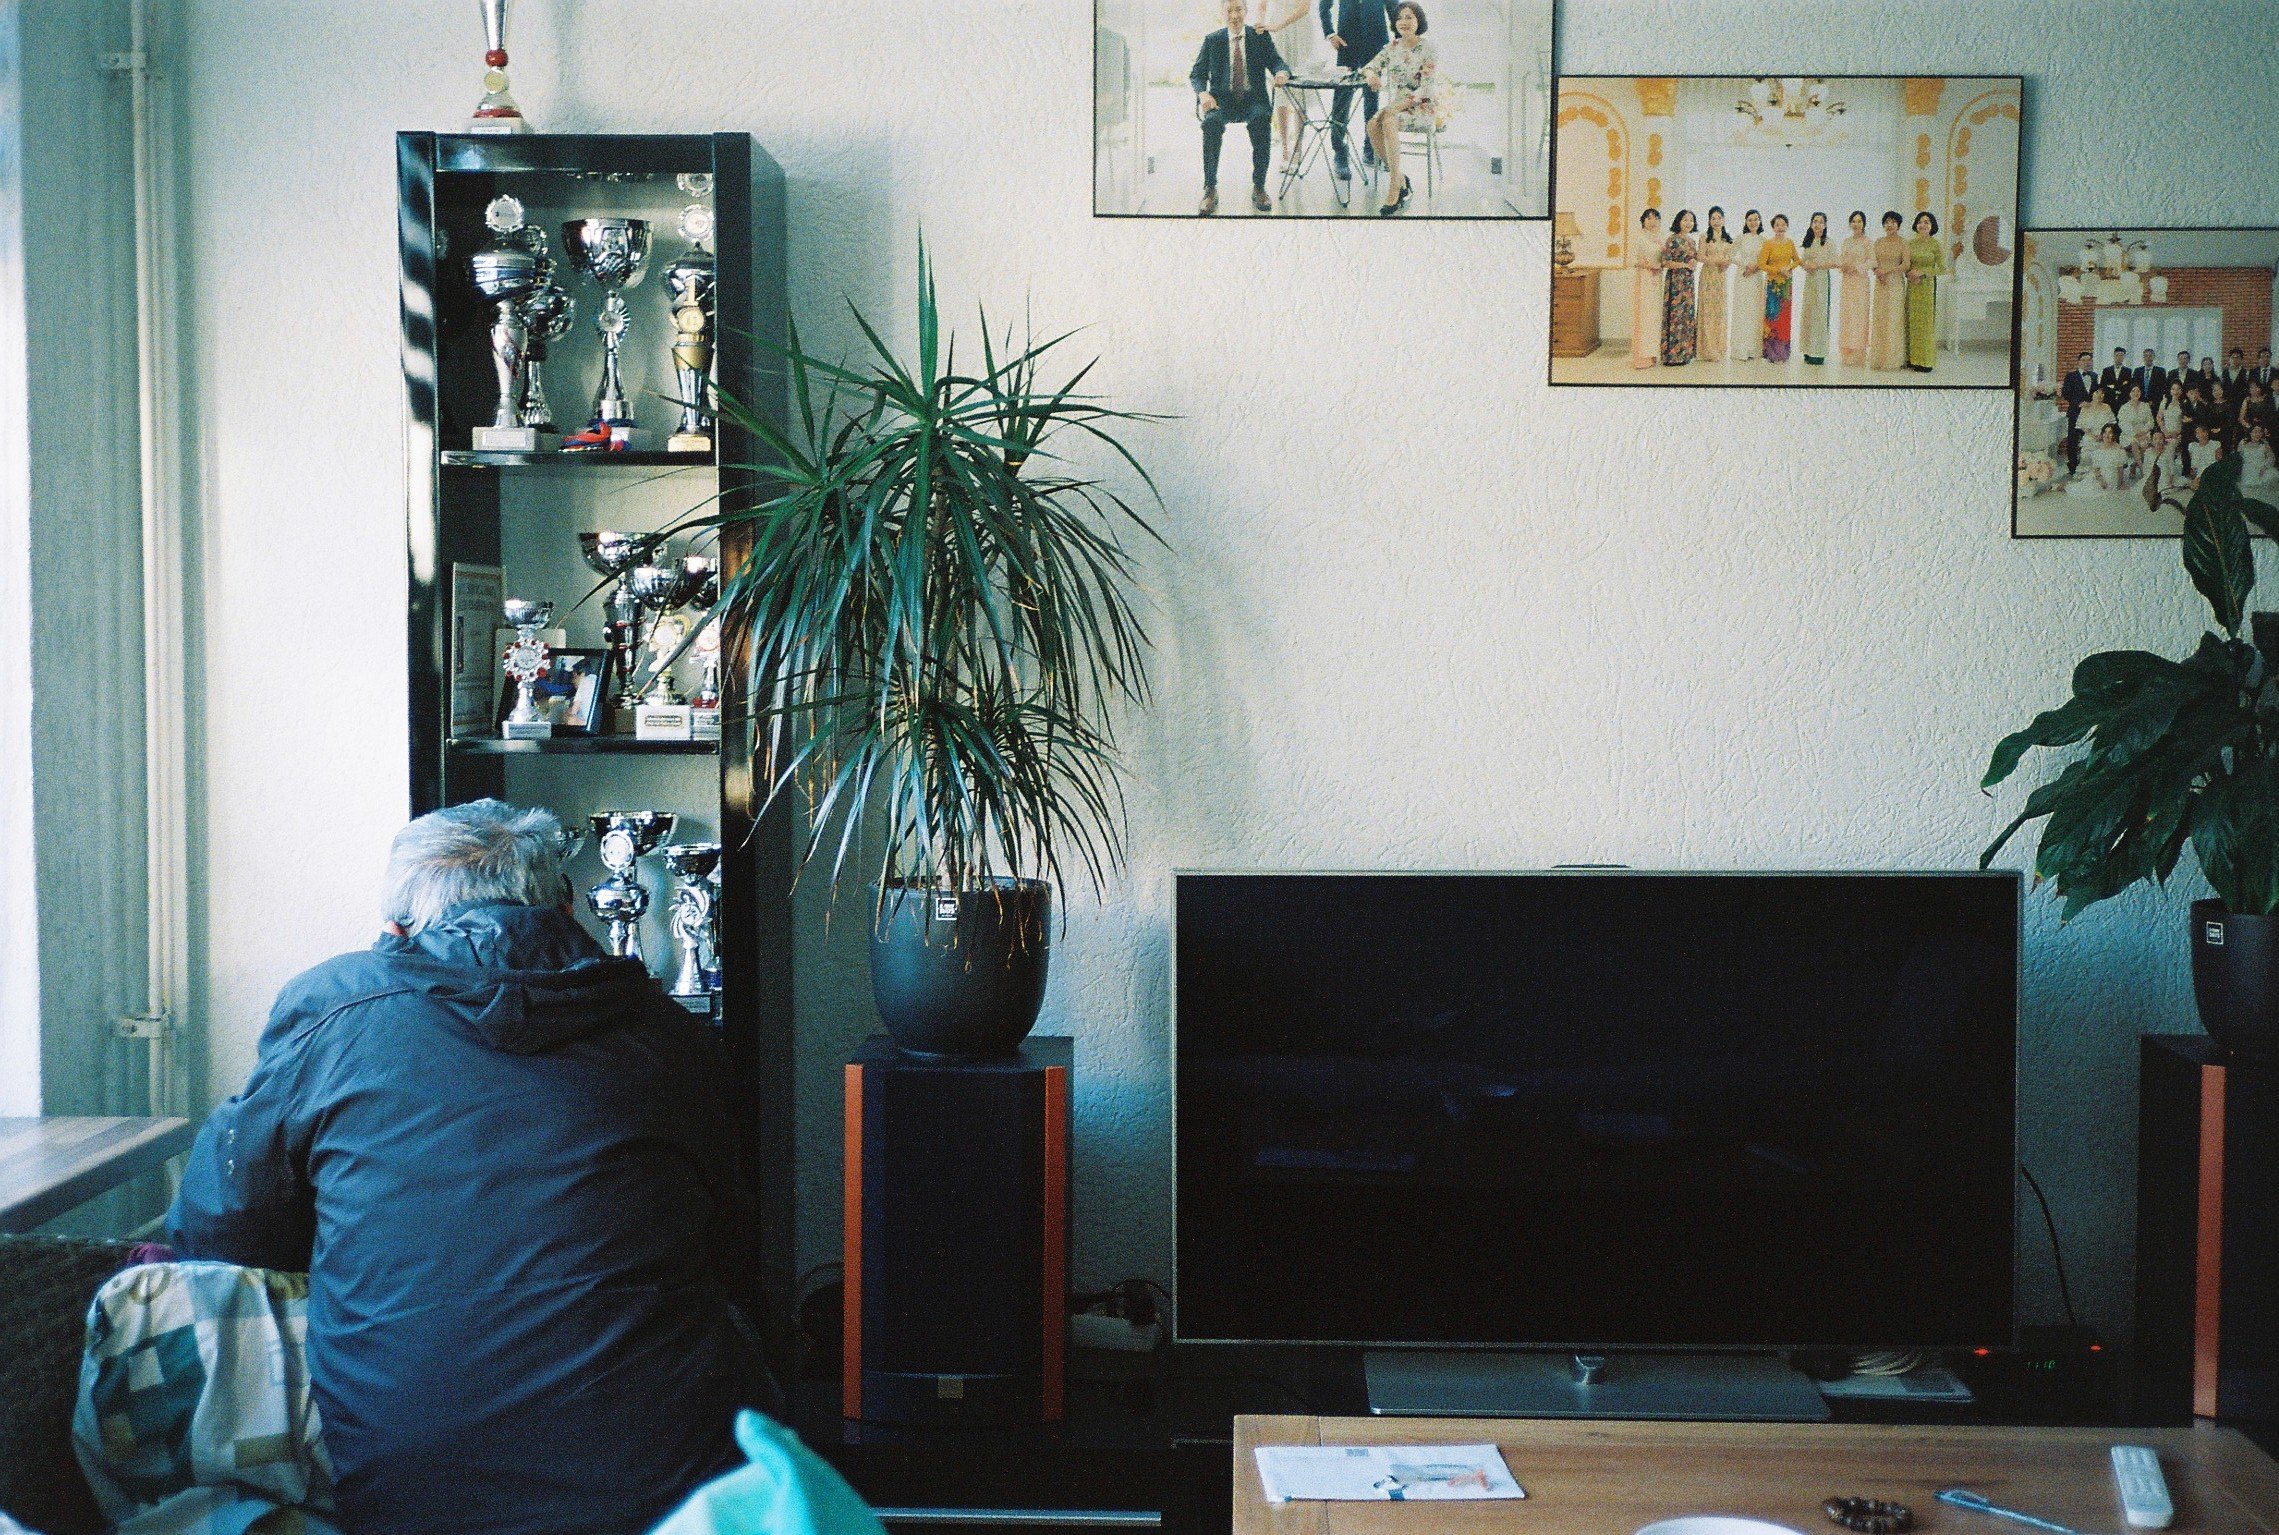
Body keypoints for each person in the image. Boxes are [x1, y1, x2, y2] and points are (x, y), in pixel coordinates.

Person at [167, 800, 772, 1535]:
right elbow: (730, 1243)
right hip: (664, 1491)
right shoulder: (672, 1035)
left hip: (410, 1489)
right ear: (566, 905)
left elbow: (218, 1226)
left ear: (393, 931)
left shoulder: (332, 1008)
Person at [1192, 0, 1292, 214]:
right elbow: (1197, 74)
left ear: (1246, 11)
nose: (1234, 15)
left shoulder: (1259, 36)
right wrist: (1203, 93)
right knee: (1211, 124)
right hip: (1221, 100)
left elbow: (1276, 61)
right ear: (1223, 13)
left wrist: (1281, 73)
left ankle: (1259, 186)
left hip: (1254, 98)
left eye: (1239, 9)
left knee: (1260, 121)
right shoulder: (1213, 40)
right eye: (1229, 10)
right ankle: (1210, 188)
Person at [1362, 1, 1442, 216]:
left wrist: (1396, 108)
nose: (1404, 22)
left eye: (1409, 17)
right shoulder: (1392, 47)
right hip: (1397, 107)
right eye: (1399, 18)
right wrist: (1371, 75)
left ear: (1419, 21)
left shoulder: (1428, 48)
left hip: (1421, 105)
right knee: (1372, 124)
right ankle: (1400, 178)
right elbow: (1370, 66)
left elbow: (1426, 89)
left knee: (1387, 120)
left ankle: (1394, 187)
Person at [1320, 0, 1394, 180]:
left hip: (1376, 43)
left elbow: (1394, 7)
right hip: (1346, 43)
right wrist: (1330, 33)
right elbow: (1324, 6)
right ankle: (1340, 152)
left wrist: (1399, 39)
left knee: (1372, 99)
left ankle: (1371, 150)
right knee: (1342, 99)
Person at [1257, 0, 1317, 176]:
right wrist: (1261, 24)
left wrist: (1277, 25)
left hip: (1300, 29)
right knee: (1280, 86)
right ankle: (1284, 148)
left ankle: (1298, 150)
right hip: (1277, 30)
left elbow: (1305, 7)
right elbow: (1262, 5)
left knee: (1300, 90)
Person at [1904, 210, 1947, 372]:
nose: (1923, 225)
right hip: (1912, 286)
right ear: (1916, 225)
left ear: (1932, 226)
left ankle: (1926, 361)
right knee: (1912, 321)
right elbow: (1905, 264)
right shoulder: (1909, 243)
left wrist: (1923, 272)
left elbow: (1943, 269)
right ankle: (1913, 359)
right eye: (1920, 222)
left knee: (1925, 323)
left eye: (1927, 222)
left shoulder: (1935, 244)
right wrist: (1909, 274)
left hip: (1927, 287)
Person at [1868, 211, 1908, 371]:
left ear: (1898, 224)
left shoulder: (1903, 243)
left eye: (1893, 222)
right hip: (1880, 284)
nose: (1889, 225)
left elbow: (1906, 265)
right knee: (1880, 318)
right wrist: (1877, 270)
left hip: (1895, 285)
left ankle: (1893, 359)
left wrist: (1888, 271)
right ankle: (1878, 358)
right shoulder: (1878, 242)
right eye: (1887, 222)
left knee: (1894, 320)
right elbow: (1873, 261)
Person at [1660, 208, 1700, 367]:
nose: (1688, 223)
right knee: (1675, 316)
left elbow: (1694, 260)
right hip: (1675, 282)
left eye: (1691, 220)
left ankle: (1686, 353)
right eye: (1685, 220)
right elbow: (1665, 262)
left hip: (1688, 282)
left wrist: (1693, 264)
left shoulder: (1692, 241)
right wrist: (1685, 264)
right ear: (1678, 221)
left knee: (1686, 317)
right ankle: (1672, 355)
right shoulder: (1672, 239)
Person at [1759, 213, 1800, 363]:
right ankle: (1771, 353)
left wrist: (1789, 267)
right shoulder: (1768, 244)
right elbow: (1762, 264)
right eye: (1777, 225)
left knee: (1784, 319)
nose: (1780, 227)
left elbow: (1798, 260)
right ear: (1773, 227)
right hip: (1772, 285)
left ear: (1787, 226)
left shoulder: (1790, 243)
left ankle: (1783, 353)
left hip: (1786, 285)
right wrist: (1777, 270)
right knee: (1772, 316)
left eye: (1783, 224)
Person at [1629, 206, 1665, 368]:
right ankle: (1642, 357)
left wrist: (1660, 264)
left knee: (1655, 316)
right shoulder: (1639, 237)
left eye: (1655, 218)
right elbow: (1632, 259)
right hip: (1644, 279)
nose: (1652, 221)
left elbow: (1663, 258)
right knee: (1644, 316)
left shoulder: (1658, 238)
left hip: (1657, 280)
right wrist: (1648, 265)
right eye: (1649, 218)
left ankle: (1652, 354)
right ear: (1643, 221)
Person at [1797, 212, 1834, 366]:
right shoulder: (1809, 241)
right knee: (1808, 313)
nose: (1817, 225)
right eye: (1815, 222)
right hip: (1810, 281)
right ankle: (1807, 349)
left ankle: (1818, 352)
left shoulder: (1829, 242)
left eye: (1820, 222)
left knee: (1819, 315)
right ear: (1811, 224)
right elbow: (1802, 260)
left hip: (1821, 280)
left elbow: (1834, 261)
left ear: (1825, 225)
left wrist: (1817, 266)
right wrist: (1805, 265)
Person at [1836, 210, 1872, 368]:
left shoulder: (1867, 242)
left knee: (1859, 317)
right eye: (1853, 221)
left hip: (1860, 283)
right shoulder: (1846, 241)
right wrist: (1843, 266)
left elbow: (1873, 261)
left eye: (1859, 221)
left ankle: (1859, 353)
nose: (1856, 224)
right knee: (1847, 316)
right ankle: (1847, 352)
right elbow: (1840, 259)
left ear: (1864, 224)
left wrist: (1857, 267)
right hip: (1847, 283)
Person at [1698, 206, 1733, 361]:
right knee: (1708, 311)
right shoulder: (1704, 237)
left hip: (1721, 277)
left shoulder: (1728, 239)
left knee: (1719, 312)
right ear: (1709, 220)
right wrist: (1717, 260)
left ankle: (1719, 347)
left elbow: (1730, 257)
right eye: (1713, 218)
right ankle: (1707, 349)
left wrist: (1726, 263)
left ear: (1724, 220)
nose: (1716, 221)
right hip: (1708, 276)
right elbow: (1700, 256)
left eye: (1719, 217)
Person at [1732, 209, 1767, 362]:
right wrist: (1745, 265)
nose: (1753, 222)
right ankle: (1741, 349)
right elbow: (1731, 255)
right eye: (1750, 220)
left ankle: (1754, 348)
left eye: (1756, 219)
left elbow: (1767, 260)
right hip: (1743, 276)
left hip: (1757, 277)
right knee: (1742, 310)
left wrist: (1756, 267)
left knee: (1755, 310)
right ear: (1746, 222)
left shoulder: (1763, 240)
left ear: (1760, 222)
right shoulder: (1741, 238)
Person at [2070, 423, 2130, 495]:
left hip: (2112, 478)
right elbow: (2096, 468)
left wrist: (2119, 484)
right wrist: (2100, 480)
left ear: (2114, 435)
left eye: (2110, 432)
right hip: (2100, 477)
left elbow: (2120, 470)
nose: (2106, 435)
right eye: (2105, 432)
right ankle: (2060, 487)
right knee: (2082, 487)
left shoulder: (2119, 450)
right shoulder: (2099, 449)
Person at [2240, 420, 2279, 502]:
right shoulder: (2243, 443)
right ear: (2250, 433)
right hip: (2247, 470)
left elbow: (2272, 457)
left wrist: (2265, 467)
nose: (2257, 434)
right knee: (2248, 495)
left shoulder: (2264, 443)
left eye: (2260, 432)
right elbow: (2238, 458)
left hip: (2262, 469)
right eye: (2255, 432)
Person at [2118, 384, 2154, 460]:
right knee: (2134, 442)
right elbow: (2123, 424)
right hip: (2129, 434)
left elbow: (2150, 422)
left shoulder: (2145, 406)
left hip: (2144, 433)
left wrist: (2143, 432)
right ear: (2129, 393)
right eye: (2133, 391)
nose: (2136, 393)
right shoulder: (2124, 408)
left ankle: (2135, 465)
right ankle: (2142, 469)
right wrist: (2135, 434)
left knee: (2145, 443)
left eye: (2138, 391)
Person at [2076, 385, 2116, 449]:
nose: (2099, 395)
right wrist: (2094, 437)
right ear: (2092, 393)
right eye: (2097, 392)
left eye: (2102, 393)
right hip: (2090, 438)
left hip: (2105, 437)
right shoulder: (2085, 407)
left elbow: (2111, 424)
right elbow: (2082, 426)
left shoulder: (2107, 407)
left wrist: (2103, 435)